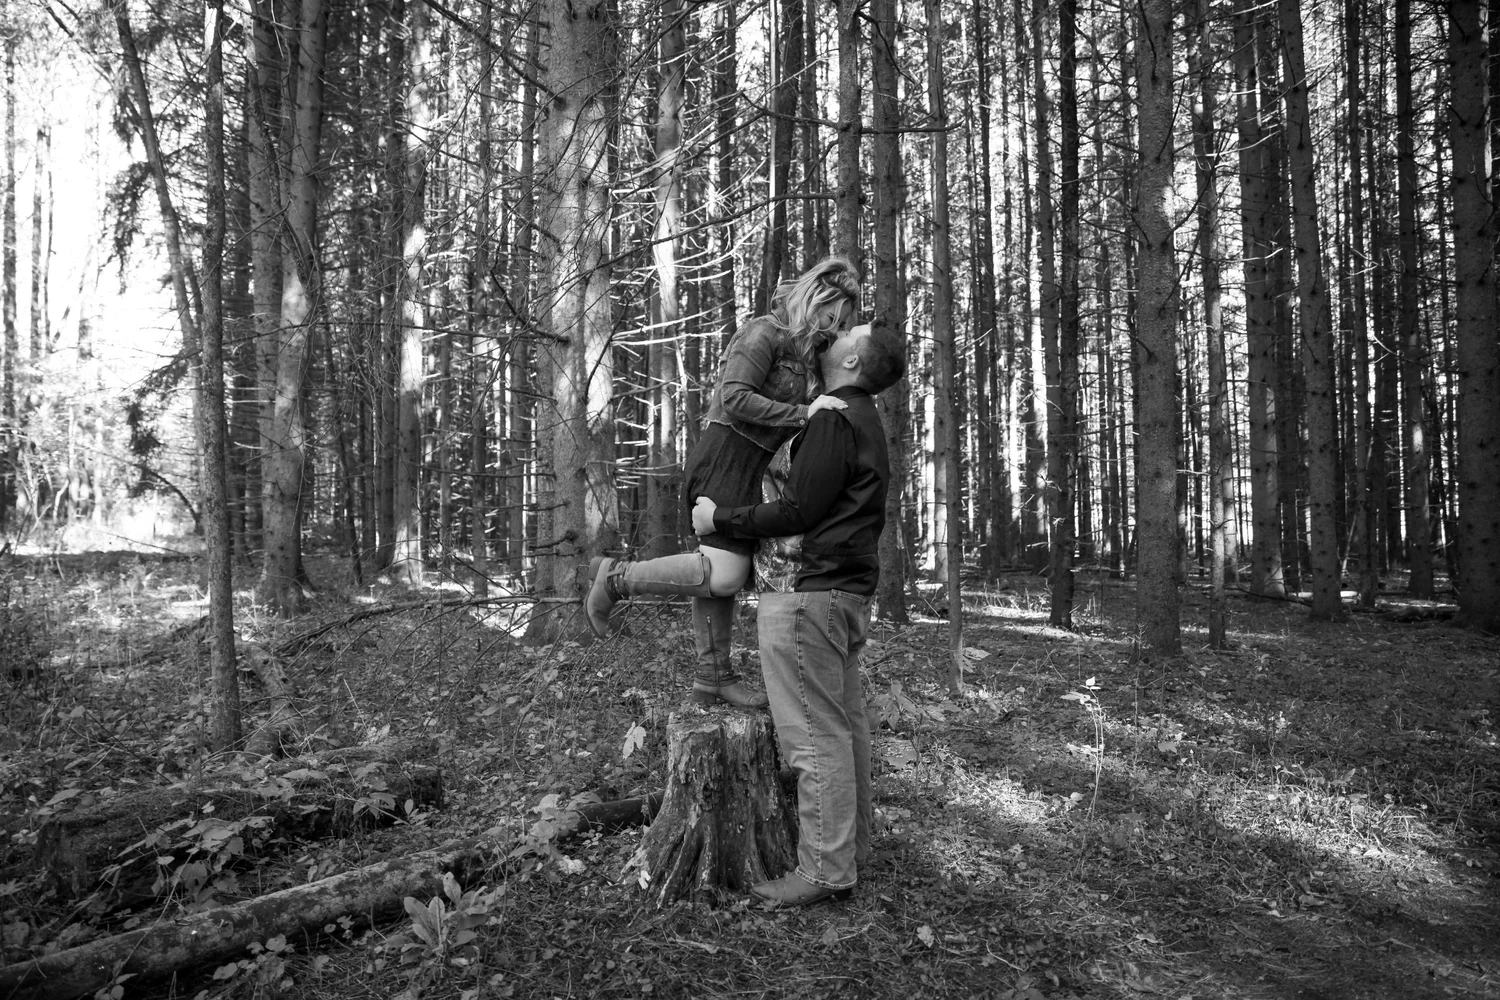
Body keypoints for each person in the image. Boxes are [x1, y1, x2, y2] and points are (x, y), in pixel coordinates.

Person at [690, 321, 907, 907]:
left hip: (808, 598)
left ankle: (825, 870)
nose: (835, 332)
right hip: (844, 594)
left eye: (849, 332)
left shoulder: (834, 419)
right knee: (844, 728)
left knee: (812, 738)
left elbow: (796, 511)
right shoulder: (861, 417)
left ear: (854, 361)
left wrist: (720, 519)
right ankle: (852, 849)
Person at [584, 256, 862, 710]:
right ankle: (617, 578)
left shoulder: (806, 351)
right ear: (816, 300)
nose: (836, 328)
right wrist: (802, 413)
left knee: (721, 575)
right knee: (724, 573)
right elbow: (733, 397)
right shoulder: (764, 332)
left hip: (754, 469)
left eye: (843, 323)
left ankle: (712, 678)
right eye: (834, 317)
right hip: (727, 456)